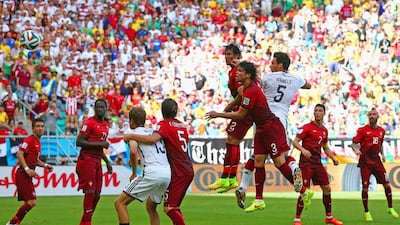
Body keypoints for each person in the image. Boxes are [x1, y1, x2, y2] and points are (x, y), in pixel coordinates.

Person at [206, 61, 313, 213]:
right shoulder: (249, 88)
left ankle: (303, 190)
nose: (237, 73)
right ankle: (259, 200)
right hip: (261, 129)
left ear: (248, 75)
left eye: (240, 71)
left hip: (271, 128)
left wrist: (219, 114)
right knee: (258, 161)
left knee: (278, 162)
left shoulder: (252, 91)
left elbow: (241, 115)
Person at [236, 52, 311, 209]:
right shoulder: (295, 79)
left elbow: (253, 84)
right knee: (263, 156)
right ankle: (257, 196)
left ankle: (247, 188)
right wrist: (294, 82)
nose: (270, 65)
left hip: (265, 118)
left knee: (269, 159)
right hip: (281, 119)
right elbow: (308, 85)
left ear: (280, 65)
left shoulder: (268, 77)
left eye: (273, 63)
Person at [124, 98, 194, 225]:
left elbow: (153, 140)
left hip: (177, 171)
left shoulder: (164, 125)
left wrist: (130, 136)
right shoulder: (182, 126)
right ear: (176, 111)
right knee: (161, 206)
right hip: (186, 167)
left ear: (162, 111)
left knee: (169, 208)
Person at [207, 43, 253, 193]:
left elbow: (243, 92)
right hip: (244, 108)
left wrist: (230, 106)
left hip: (244, 110)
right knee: (234, 142)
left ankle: (227, 177)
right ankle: (231, 179)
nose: (226, 57)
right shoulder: (234, 71)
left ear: (237, 56)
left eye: (230, 54)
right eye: (225, 54)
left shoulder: (237, 72)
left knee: (231, 141)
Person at [114, 107, 171, 225]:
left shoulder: (133, 134)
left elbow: (133, 151)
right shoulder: (153, 132)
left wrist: (134, 173)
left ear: (132, 122)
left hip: (152, 173)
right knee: (151, 207)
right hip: (166, 174)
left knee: (120, 203)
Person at [291, 104, 343, 225]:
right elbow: (295, 142)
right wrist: (303, 150)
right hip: (306, 164)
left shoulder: (324, 130)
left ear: (324, 113)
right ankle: (297, 219)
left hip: (317, 163)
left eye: (320, 111)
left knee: (327, 188)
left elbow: (325, 147)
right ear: (314, 113)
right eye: (316, 110)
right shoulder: (307, 127)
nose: (317, 113)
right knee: (305, 191)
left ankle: (329, 217)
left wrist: (333, 158)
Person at [351, 108, 399, 221]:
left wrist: (383, 155)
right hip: (365, 162)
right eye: (370, 114)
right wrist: (356, 150)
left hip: (377, 162)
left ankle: (390, 208)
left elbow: (380, 143)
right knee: (365, 188)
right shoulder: (362, 130)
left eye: (374, 114)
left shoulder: (381, 131)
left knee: (387, 185)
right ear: (368, 117)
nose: (372, 116)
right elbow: (354, 143)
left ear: (378, 116)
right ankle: (367, 212)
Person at [6, 118, 54, 225]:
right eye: (37, 126)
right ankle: (12, 223)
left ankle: (16, 223)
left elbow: (35, 160)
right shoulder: (29, 140)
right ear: (33, 129)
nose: (40, 128)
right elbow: (19, 153)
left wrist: (46, 165)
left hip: (26, 175)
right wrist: (27, 169)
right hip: (23, 174)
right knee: (32, 202)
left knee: (28, 202)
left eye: (42, 126)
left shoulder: (37, 142)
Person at [76, 98, 113, 225]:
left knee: (97, 194)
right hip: (87, 159)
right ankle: (87, 222)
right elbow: (79, 141)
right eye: (98, 107)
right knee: (90, 192)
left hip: (97, 160)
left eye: (102, 107)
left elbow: (98, 147)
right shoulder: (89, 122)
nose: (100, 109)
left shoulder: (105, 125)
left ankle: (84, 222)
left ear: (106, 109)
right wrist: (101, 143)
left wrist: (107, 161)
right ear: (94, 108)